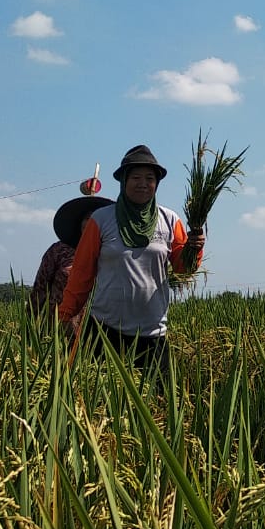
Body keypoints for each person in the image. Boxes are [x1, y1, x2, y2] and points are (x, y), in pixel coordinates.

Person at [57, 144, 205, 372]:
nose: (143, 184)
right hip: (104, 330)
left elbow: (184, 269)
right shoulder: (102, 220)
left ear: (157, 183)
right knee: (94, 403)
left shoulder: (169, 220)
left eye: (149, 178)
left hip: (152, 332)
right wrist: (66, 314)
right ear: (124, 180)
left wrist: (195, 249)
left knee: (157, 404)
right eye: (136, 177)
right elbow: (81, 273)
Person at [29, 195, 113, 316]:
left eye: (97, 220)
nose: (90, 223)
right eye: (87, 218)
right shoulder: (59, 250)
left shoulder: (112, 254)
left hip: (98, 325)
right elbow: (40, 289)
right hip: (58, 324)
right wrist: (30, 325)